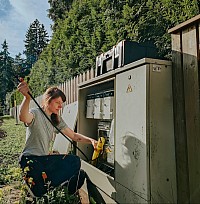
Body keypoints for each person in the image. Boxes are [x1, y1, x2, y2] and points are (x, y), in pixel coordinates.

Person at [17, 80, 97, 197]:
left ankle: (45, 190)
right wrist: (27, 98)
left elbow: (74, 136)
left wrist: (91, 140)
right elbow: (23, 117)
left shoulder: (56, 119)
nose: (60, 106)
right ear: (48, 100)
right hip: (30, 161)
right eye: (57, 102)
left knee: (79, 173)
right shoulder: (36, 113)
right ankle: (38, 190)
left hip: (43, 160)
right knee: (74, 161)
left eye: (62, 103)